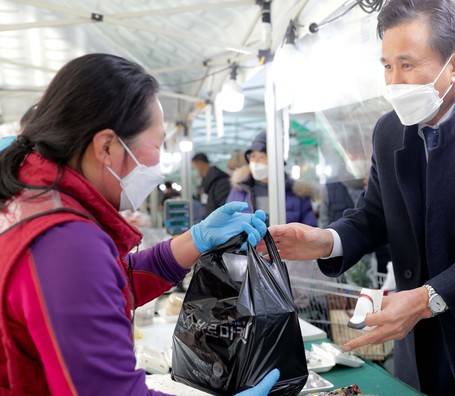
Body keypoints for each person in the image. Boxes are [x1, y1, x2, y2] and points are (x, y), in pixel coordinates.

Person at [260, 1, 455, 395]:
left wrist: (427, 299)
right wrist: (327, 240)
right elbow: (376, 213)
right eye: (386, 65)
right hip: (420, 343)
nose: (394, 81)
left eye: (408, 64)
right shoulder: (390, 130)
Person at [0, 53, 276, 396]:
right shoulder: (64, 242)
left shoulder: (35, 202)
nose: (159, 163)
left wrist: (198, 238)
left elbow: (113, 280)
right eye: (157, 146)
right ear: (106, 146)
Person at [227, 131, 318, 226]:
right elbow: (228, 225)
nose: (255, 162)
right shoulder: (239, 191)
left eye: (261, 157)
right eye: (253, 156)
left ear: (276, 160)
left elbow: (310, 229)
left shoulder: (297, 194)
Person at [191, 152, 231, 217]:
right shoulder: (205, 182)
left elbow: (223, 206)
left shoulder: (220, 181)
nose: (194, 170)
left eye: (194, 167)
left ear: (200, 163)